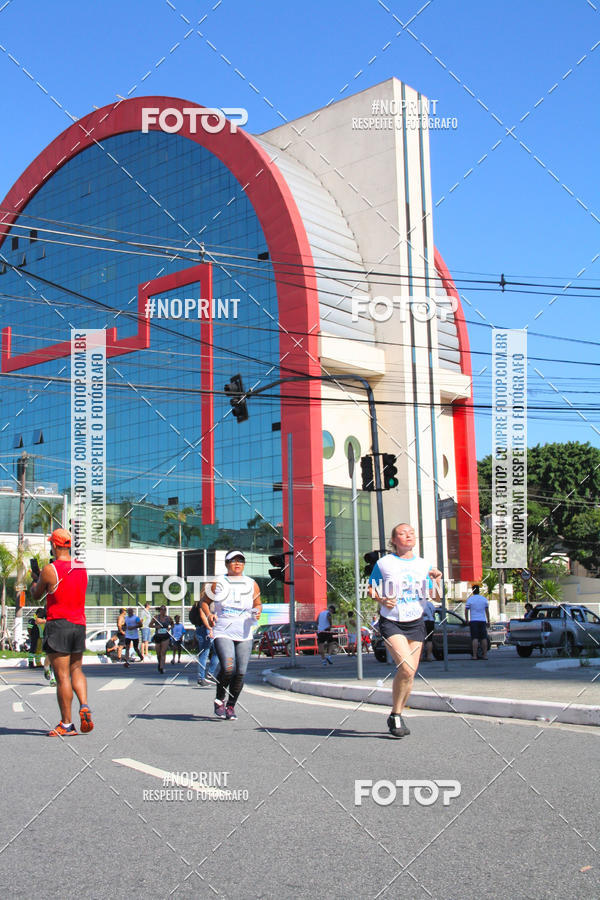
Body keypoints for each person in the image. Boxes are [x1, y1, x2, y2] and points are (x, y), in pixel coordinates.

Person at [368, 523, 442, 739]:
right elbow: (370, 588)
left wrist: (437, 580)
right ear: (394, 540)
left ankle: (396, 714)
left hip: (416, 621)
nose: (408, 536)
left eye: (411, 533)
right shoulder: (384, 563)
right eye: (402, 533)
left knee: (409, 673)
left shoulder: (424, 565)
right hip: (392, 621)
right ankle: (396, 715)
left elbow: (435, 597)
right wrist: (382, 599)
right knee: (407, 669)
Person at [31, 528, 93, 737]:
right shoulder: (81, 567)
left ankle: (66, 724)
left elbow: (37, 594)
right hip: (79, 625)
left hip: (59, 625)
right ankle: (84, 704)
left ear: (55, 545)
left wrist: (35, 580)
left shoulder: (50, 569)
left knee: (62, 676)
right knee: (77, 670)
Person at [202, 550, 261, 720]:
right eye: (233, 560)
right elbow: (204, 602)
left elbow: (258, 604)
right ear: (227, 564)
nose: (237, 563)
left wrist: (257, 611)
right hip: (223, 631)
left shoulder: (251, 583)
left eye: (240, 560)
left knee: (240, 672)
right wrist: (209, 615)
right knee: (228, 668)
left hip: (244, 632)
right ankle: (219, 699)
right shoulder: (218, 582)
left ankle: (231, 706)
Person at [190, 595, 219, 686]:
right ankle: (201, 678)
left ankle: (209, 674)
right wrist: (209, 629)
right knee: (204, 653)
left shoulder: (208, 601)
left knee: (217, 651)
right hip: (205, 629)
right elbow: (203, 616)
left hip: (206, 628)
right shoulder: (203, 601)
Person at [465, 585, 490, 660]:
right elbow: (487, 611)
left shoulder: (470, 600)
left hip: (473, 621)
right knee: (483, 638)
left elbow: (466, 611)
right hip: (482, 620)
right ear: (479, 590)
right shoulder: (484, 599)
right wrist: (488, 621)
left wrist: (467, 620)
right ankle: (485, 655)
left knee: (475, 638)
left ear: (472, 590)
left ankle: (475, 655)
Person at [150, 605, 173, 674]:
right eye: (162, 610)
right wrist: (156, 626)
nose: (163, 611)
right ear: (160, 610)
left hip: (165, 636)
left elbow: (173, 624)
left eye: (164, 610)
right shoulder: (156, 617)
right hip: (158, 636)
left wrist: (169, 628)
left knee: (163, 652)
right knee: (158, 653)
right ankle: (159, 663)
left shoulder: (168, 618)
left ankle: (162, 667)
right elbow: (150, 625)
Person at [421, 597, 436, 662]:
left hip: (422, 621)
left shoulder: (419, 603)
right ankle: (429, 656)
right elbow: (433, 612)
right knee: (429, 640)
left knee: (421, 640)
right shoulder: (430, 604)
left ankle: (420, 656)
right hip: (431, 622)